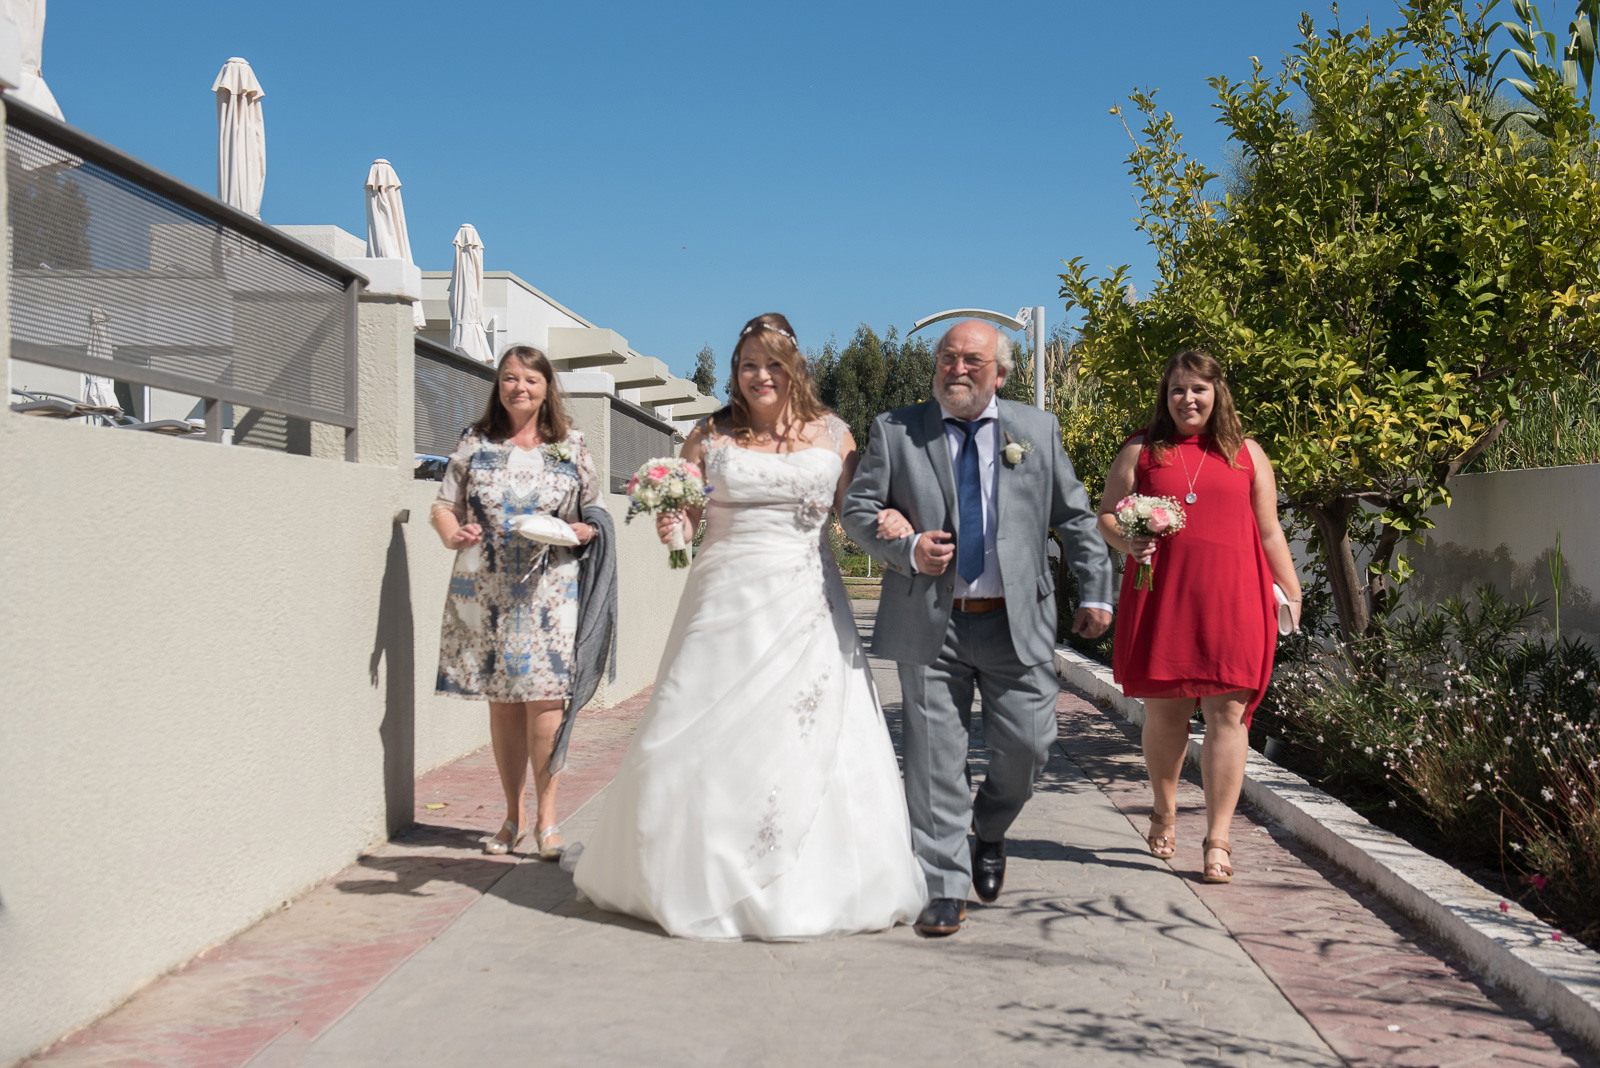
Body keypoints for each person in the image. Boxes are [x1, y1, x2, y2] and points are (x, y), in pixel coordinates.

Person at [571, 313, 927, 940]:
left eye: (772, 364)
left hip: (808, 604)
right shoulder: (709, 434)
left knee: (805, 732)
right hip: (723, 600)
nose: (761, 376)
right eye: (748, 365)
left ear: (794, 370)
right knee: (694, 724)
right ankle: (690, 873)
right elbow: (685, 521)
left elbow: (857, 513)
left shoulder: (834, 434)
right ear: (736, 374)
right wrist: (673, 529)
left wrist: (897, 523)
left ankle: (808, 882)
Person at [841, 319, 1115, 937]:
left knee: (1029, 748)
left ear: (1000, 373)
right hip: (930, 625)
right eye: (946, 358)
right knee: (935, 757)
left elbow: (1073, 518)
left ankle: (988, 830)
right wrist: (908, 549)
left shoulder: (1036, 430)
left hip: (1016, 625)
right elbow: (857, 511)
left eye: (971, 360)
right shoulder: (896, 430)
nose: (956, 369)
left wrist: (1098, 590)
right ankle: (943, 884)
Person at [1097, 349, 1302, 884]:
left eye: (1198, 390)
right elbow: (1106, 515)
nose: (1188, 400)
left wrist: (1292, 586)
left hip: (1235, 599)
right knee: (1166, 715)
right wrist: (1127, 539)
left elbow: (1269, 529)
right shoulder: (1141, 450)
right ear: (1166, 398)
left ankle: (1218, 840)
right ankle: (1164, 811)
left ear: (1217, 394)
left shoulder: (1248, 453)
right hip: (1164, 595)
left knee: (1228, 716)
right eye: (1177, 391)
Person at [430, 346, 602, 860]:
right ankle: (512, 815)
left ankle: (548, 819)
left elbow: (593, 511)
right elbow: (443, 505)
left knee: (546, 699)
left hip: (553, 588)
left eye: (530, 379)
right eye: (509, 378)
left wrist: (585, 527)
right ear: (497, 386)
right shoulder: (475, 441)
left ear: (547, 387)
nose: (519, 387)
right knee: (504, 701)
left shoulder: (569, 446)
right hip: (489, 587)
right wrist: (452, 533)